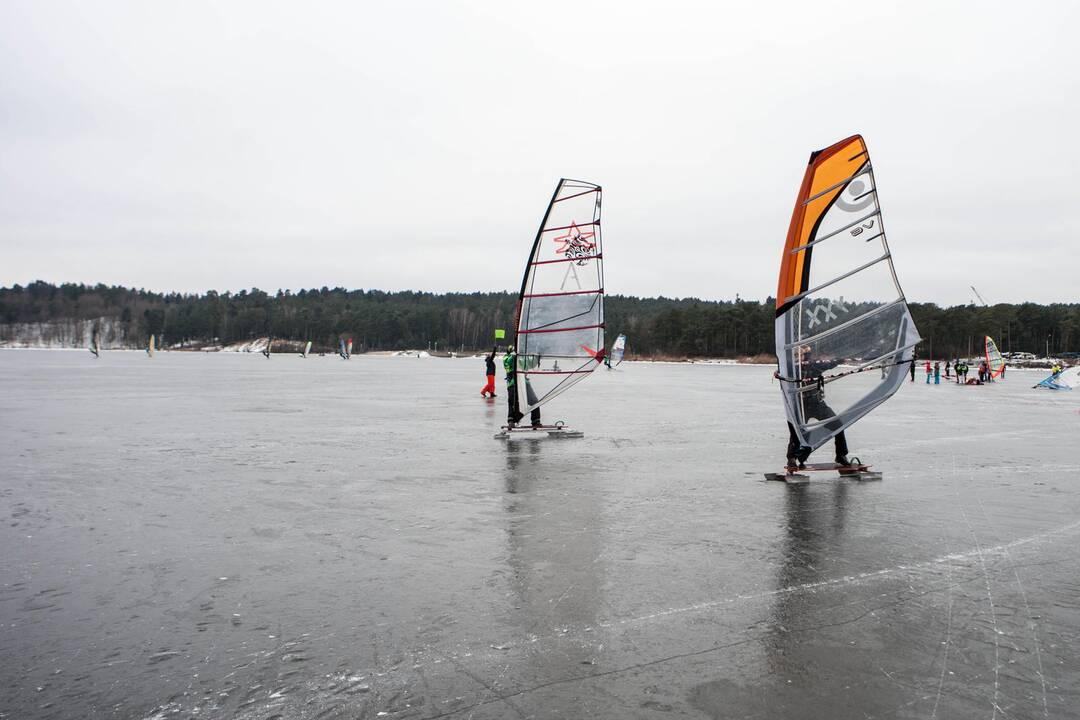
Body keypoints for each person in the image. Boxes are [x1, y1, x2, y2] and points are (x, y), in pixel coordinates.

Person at [779, 349, 851, 469]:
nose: (797, 357)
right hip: (801, 405)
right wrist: (778, 372)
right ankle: (792, 458)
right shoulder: (792, 368)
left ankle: (841, 455)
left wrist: (841, 360)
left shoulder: (814, 365)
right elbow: (782, 370)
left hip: (817, 404)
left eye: (800, 355)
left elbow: (829, 363)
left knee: (838, 425)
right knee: (796, 432)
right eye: (796, 355)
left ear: (806, 356)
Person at [504, 346, 541, 428]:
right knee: (513, 402)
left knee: (535, 401)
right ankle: (511, 421)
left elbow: (532, 363)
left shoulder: (522, 359)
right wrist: (514, 355)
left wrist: (538, 355)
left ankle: (536, 421)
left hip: (525, 383)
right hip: (513, 383)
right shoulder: (506, 357)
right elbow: (508, 362)